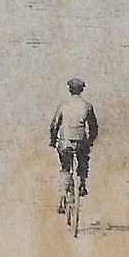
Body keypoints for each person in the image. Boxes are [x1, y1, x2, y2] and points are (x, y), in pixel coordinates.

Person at [48, 78, 100, 210]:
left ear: (69, 89)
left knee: (65, 167)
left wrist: (53, 140)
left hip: (65, 142)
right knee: (83, 161)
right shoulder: (87, 106)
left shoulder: (63, 105)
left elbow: (54, 125)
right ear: (82, 90)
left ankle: (63, 196)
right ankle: (82, 183)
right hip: (81, 142)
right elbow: (93, 128)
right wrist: (89, 142)